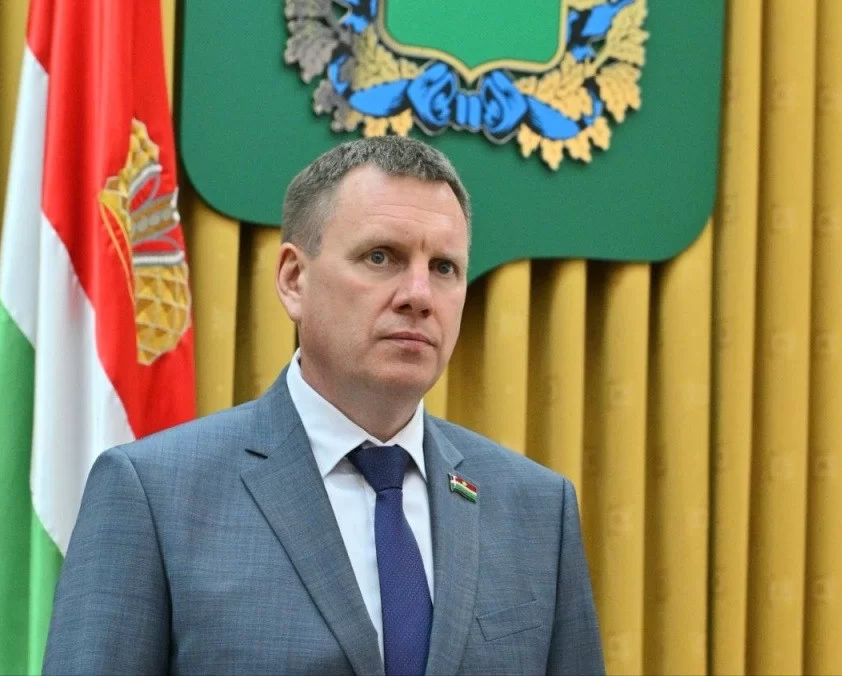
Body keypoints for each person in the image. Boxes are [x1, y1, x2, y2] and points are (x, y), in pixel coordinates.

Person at [43, 136, 604, 675]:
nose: (419, 295)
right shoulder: (155, 495)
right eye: (381, 257)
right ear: (294, 279)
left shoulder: (536, 509)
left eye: (444, 268)